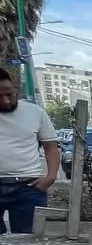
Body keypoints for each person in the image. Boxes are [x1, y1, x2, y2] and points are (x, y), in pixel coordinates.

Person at [0, 68, 61, 234]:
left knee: (29, 243)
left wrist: (51, 176)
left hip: (28, 188)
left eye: (9, 94)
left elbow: (51, 147)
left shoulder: (35, 112)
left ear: (16, 90)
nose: (5, 101)